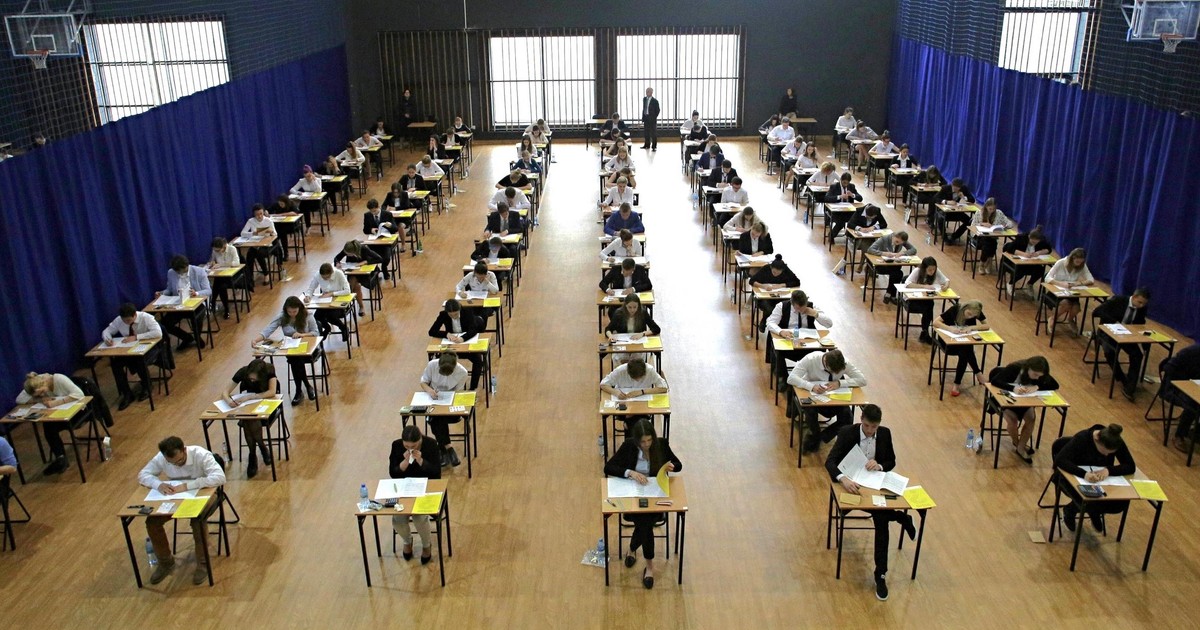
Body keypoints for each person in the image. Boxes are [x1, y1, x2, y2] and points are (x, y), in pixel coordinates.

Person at [824, 405, 914, 601]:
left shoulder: (885, 433)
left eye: (874, 427)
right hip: (850, 484)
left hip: (873, 484)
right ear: (861, 419)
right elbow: (830, 462)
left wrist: (879, 465)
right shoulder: (846, 433)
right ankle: (899, 517)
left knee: (881, 521)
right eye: (866, 426)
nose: (870, 431)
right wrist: (843, 479)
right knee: (868, 512)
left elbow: (891, 461)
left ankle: (880, 574)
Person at [603, 418, 681, 589]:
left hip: (655, 497)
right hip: (633, 497)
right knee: (645, 524)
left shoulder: (661, 444)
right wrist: (630, 472)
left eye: (649, 440)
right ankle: (649, 567)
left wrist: (671, 467)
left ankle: (633, 550)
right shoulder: (629, 446)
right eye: (643, 442)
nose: (646, 445)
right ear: (637, 440)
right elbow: (608, 467)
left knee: (644, 524)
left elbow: (678, 464)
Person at [138, 436, 226, 585]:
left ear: (184, 450)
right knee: (152, 522)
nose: (177, 465)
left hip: (204, 493)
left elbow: (220, 477)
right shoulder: (161, 458)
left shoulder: (200, 454)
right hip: (178, 498)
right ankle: (166, 562)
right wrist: (158, 484)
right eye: (171, 463)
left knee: (197, 521)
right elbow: (143, 475)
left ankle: (203, 564)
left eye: (180, 461)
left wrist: (188, 485)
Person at [1054, 424, 1136, 533]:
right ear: (1097, 439)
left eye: (1110, 453)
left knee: (1120, 503)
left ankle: (1093, 511)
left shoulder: (1115, 440)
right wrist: (1084, 474)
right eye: (1105, 451)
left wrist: (1108, 470)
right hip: (1071, 478)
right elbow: (1060, 460)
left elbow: (1130, 466)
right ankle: (1072, 511)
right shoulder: (1082, 438)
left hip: (1100, 482)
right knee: (1091, 502)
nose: (1107, 455)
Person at [788, 350, 867, 452]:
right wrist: (811, 386)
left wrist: (840, 383)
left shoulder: (844, 362)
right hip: (813, 396)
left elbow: (862, 380)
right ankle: (814, 435)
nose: (835, 374)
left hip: (833, 397)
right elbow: (791, 378)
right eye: (833, 371)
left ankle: (821, 437)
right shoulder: (810, 359)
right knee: (810, 411)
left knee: (847, 416)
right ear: (825, 362)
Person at [988, 356, 1060, 462]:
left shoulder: (1040, 375)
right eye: (1035, 374)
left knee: (1031, 418)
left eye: (1039, 376)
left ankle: (1020, 448)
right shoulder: (1015, 368)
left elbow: (1055, 384)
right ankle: (1017, 443)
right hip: (1006, 399)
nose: (1037, 378)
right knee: (1012, 421)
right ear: (1028, 368)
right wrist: (1013, 388)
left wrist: (1037, 387)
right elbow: (995, 381)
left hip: (1024, 401)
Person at [251, 296, 320, 405]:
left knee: (295, 361)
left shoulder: (308, 315)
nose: (292, 314)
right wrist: (256, 340)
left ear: (300, 309)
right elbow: (269, 329)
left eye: (295, 311)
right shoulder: (282, 317)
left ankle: (300, 390)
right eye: (289, 312)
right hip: (292, 349)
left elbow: (316, 332)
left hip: (310, 349)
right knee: (295, 359)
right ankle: (306, 387)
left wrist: (302, 335)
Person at [389, 424, 441, 563]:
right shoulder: (396, 445)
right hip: (404, 488)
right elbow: (393, 473)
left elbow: (436, 473)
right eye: (407, 446)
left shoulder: (431, 444)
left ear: (420, 439)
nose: (410, 449)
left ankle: (426, 545)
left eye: (414, 446)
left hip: (425, 487)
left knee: (419, 517)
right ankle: (407, 541)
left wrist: (421, 461)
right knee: (398, 518)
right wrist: (405, 462)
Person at [219, 359, 280, 479]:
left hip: (267, 407)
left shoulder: (269, 369)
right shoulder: (242, 372)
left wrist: (253, 396)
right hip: (248, 408)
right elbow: (225, 392)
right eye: (250, 379)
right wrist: (229, 401)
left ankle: (253, 454)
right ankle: (261, 448)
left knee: (249, 421)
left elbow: (272, 391)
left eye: (254, 379)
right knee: (249, 420)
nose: (252, 381)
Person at [15, 372, 85, 474]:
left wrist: (57, 402)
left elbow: (79, 394)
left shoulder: (59, 379)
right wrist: (40, 399)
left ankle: (61, 458)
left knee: (49, 426)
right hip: (60, 414)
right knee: (48, 426)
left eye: (42, 392)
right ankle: (61, 458)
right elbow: (19, 399)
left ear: (44, 382)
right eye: (38, 395)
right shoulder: (34, 382)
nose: (42, 395)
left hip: (78, 413)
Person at [101, 303, 164, 410]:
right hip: (130, 350)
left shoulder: (146, 318)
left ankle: (147, 386)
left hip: (149, 348)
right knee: (115, 364)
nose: (126, 323)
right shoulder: (119, 320)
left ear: (135, 315)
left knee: (139, 360)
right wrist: (107, 339)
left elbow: (158, 333)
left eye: (129, 320)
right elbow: (106, 331)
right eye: (124, 321)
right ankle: (127, 394)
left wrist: (137, 337)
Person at [1094, 288, 1151, 401]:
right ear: (1134, 297)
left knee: (1137, 355)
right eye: (1139, 302)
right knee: (1110, 352)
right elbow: (1097, 311)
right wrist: (1115, 322)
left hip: (1126, 335)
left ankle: (1130, 387)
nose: (1141, 306)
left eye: (1144, 304)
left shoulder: (1142, 309)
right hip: (1108, 333)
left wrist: (1145, 342)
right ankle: (1120, 376)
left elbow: (1140, 323)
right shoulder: (1118, 300)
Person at [420, 353, 469, 467]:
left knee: (436, 419)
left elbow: (458, 393)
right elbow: (423, 382)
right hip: (434, 400)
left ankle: (442, 449)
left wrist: (447, 402)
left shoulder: (462, 372)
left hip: (450, 406)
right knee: (437, 418)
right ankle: (449, 448)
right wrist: (430, 391)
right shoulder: (432, 365)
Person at [931, 300, 989, 396]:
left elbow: (986, 325)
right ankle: (978, 373)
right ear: (965, 308)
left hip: (964, 342)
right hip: (948, 342)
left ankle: (957, 384)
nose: (970, 317)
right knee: (966, 350)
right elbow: (936, 322)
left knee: (964, 351)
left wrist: (972, 328)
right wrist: (950, 328)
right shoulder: (955, 309)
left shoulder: (976, 311)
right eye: (969, 314)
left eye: (973, 316)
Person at [157, 255, 212, 351]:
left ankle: (197, 336)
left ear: (186, 266)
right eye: (177, 271)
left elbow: (208, 291)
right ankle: (187, 338)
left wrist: (196, 293)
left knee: (196, 318)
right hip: (179, 304)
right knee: (165, 323)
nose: (179, 273)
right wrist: (162, 293)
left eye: (181, 271)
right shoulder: (171, 272)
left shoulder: (199, 271)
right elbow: (169, 289)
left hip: (197, 303)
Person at [427, 299, 485, 389]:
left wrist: (463, 338)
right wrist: (446, 334)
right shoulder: (443, 315)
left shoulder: (467, 312)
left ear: (459, 310)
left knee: (478, 361)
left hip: (465, 345)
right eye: (451, 315)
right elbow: (432, 331)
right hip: (451, 348)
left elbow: (473, 329)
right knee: (440, 361)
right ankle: (441, 385)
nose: (454, 317)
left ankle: (473, 388)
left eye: (456, 314)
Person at [600, 359, 670, 431]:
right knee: (635, 421)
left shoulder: (650, 370)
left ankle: (630, 427)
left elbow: (664, 388)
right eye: (634, 378)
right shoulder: (620, 371)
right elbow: (603, 384)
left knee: (636, 421)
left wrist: (642, 391)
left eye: (641, 377)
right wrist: (616, 392)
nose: (638, 380)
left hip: (643, 406)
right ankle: (632, 428)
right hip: (623, 405)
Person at [1043, 247, 1094, 333]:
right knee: (1066, 304)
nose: (1078, 264)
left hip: (1071, 293)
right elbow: (1047, 278)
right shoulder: (1061, 263)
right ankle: (1053, 318)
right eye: (1077, 262)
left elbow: (1091, 279)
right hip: (1056, 292)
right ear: (1072, 258)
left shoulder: (1082, 265)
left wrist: (1079, 283)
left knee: (1076, 308)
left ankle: (1070, 319)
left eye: (1080, 262)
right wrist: (1060, 283)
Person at [1161, 344, 1200, 452]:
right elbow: (1168, 369)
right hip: (1173, 388)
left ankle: (1196, 431)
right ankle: (1179, 435)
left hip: (1193, 388)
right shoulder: (1190, 353)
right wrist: (1186, 383)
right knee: (1194, 404)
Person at [903, 256, 950, 343]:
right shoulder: (917, 271)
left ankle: (925, 331)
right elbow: (907, 284)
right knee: (928, 307)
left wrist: (946, 286)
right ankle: (925, 331)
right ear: (924, 268)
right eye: (930, 270)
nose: (932, 272)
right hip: (912, 299)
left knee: (930, 304)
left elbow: (946, 280)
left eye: (934, 269)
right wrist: (924, 286)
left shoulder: (935, 271)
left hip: (925, 299)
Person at [749, 256, 802, 331]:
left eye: (778, 273)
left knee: (785, 307)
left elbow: (797, 282)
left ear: (782, 270)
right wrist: (763, 286)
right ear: (771, 267)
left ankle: (778, 325)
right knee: (769, 309)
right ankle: (765, 321)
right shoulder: (766, 268)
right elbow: (751, 281)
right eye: (774, 272)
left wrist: (782, 285)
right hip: (764, 297)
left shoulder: (786, 270)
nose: (775, 274)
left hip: (780, 297)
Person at [304, 263, 352, 342]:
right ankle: (327, 328)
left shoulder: (339, 274)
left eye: (327, 277)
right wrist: (308, 296)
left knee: (330, 316)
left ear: (331, 273)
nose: (325, 279)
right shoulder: (317, 275)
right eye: (323, 278)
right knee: (316, 317)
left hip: (339, 303)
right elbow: (311, 288)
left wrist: (332, 293)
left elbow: (347, 291)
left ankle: (343, 328)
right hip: (325, 303)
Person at [334, 240, 383, 316]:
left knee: (352, 284)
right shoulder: (347, 249)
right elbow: (337, 258)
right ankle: (359, 306)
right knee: (355, 284)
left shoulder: (363, 249)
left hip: (366, 274)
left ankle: (347, 303)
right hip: (353, 272)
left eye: (348, 254)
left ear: (354, 251)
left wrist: (365, 262)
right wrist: (337, 263)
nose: (346, 255)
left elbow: (379, 258)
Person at [868, 231, 917, 305]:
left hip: (893, 265)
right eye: (897, 242)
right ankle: (892, 295)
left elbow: (913, 250)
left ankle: (889, 294)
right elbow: (870, 249)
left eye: (900, 243)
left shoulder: (901, 240)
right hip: (881, 265)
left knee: (897, 273)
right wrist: (884, 253)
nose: (898, 244)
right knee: (898, 273)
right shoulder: (884, 239)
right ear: (893, 236)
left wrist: (903, 253)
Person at [1002, 224, 1052, 295]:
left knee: (1040, 270)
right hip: (1016, 262)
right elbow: (1009, 248)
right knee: (1021, 270)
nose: (1034, 243)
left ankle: (1030, 284)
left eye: (1036, 242)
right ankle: (1010, 283)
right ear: (1029, 237)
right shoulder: (1021, 238)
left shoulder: (1042, 241)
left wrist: (1038, 253)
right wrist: (1023, 254)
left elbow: (1049, 249)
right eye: (1032, 242)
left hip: (1031, 262)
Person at [240, 204, 279, 283]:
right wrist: (253, 233)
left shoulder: (268, 221)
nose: (259, 216)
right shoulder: (251, 221)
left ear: (263, 212)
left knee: (259, 253)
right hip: (255, 244)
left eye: (261, 213)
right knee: (249, 254)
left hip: (267, 245)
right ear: (254, 214)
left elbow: (275, 234)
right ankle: (250, 277)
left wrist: (271, 232)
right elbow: (242, 233)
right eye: (257, 214)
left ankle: (266, 274)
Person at [207, 237, 240, 319]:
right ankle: (215, 305)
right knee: (218, 283)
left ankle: (217, 305)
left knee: (219, 286)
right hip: (220, 274)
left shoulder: (232, 249)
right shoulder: (215, 251)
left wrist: (221, 264)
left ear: (224, 246)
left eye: (218, 250)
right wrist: (212, 263)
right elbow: (213, 260)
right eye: (215, 250)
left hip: (232, 275)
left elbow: (236, 263)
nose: (216, 252)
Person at [825, 171, 863, 242]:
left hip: (848, 211)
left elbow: (860, 198)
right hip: (836, 211)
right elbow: (827, 198)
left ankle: (852, 236)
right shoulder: (834, 186)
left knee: (857, 219)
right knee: (841, 222)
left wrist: (852, 195)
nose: (846, 185)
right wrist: (840, 197)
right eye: (844, 183)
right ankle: (832, 235)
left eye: (847, 183)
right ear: (841, 180)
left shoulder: (851, 186)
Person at [937, 178, 976, 244]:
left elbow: (972, 200)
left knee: (969, 221)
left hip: (956, 212)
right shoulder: (945, 188)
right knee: (940, 218)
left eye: (958, 188)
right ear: (952, 185)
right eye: (954, 188)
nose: (956, 190)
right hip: (945, 211)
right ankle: (944, 237)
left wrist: (964, 197)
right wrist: (946, 202)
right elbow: (936, 198)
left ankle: (954, 236)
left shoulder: (964, 189)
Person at [289, 165, 325, 230]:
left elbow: (319, 191)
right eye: (306, 177)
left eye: (309, 176)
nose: (308, 178)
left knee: (305, 207)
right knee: (303, 207)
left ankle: (307, 226)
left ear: (312, 174)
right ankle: (301, 225)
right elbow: (292, 189)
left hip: (316, 201)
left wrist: (314, 180)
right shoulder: (302, 181)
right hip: (306, 200)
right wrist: (297, 193)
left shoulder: (317, 180)